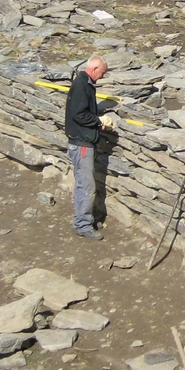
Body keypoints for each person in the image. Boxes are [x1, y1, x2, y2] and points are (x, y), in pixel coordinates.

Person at [64, 55, 115, 240]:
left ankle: (83, 219)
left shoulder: (84, 82)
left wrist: (96, 123)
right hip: (82, 144)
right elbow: (79, 114)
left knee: (82, 183)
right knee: (86, 185)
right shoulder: (82, 86)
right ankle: (83, 225)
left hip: (81, 140)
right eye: (102, 72)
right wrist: (98, 120)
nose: (102, 76)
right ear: (94, 69)